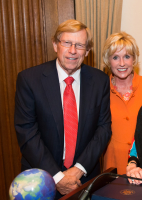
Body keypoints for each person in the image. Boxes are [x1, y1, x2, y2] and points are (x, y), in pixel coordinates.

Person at [14, 19, 111, 198]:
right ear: (55, 45)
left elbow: (104, 129)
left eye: (80, 45)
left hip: (84, 179)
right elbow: (26, 132)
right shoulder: (29, 80)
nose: (73, 51)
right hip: (40, 181)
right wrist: (58, 177)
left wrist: (78, 170)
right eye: (67, 43)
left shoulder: (100, 81)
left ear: (87, 51)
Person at [102, 32, 142, 175]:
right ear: (108, 61)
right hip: (112, 165)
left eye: (127, 56)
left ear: (134, 59)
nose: (122, 63)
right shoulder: (100, 89)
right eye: (115, 57)